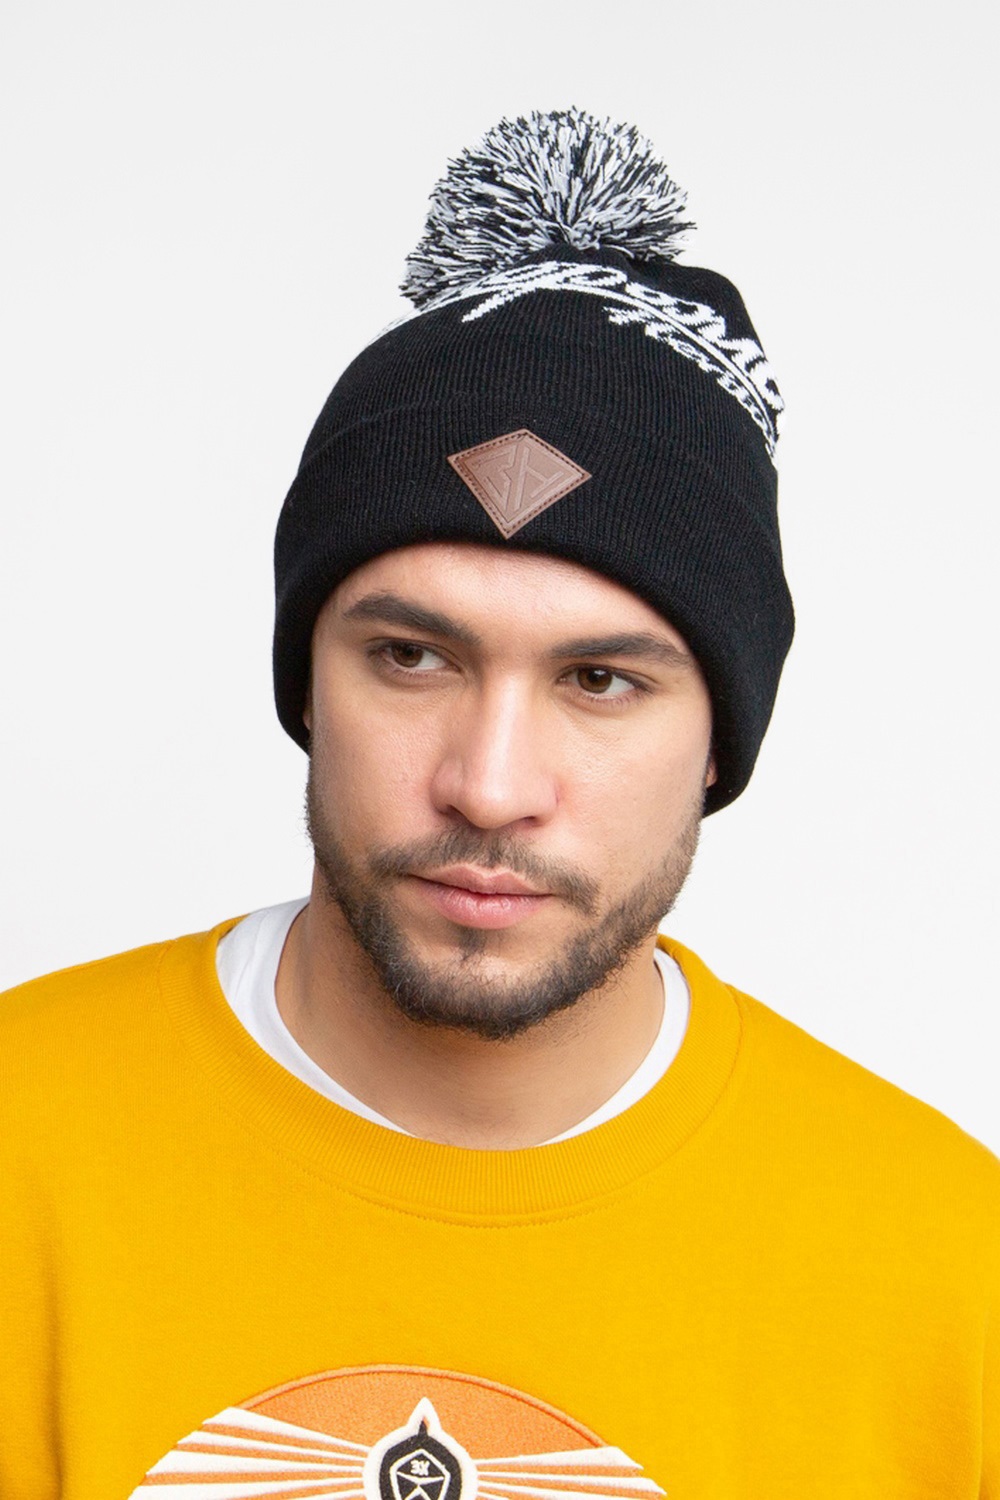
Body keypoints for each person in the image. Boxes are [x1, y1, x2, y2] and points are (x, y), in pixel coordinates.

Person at [1, 109, 997, 1499]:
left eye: (600, 680)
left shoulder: (947, 1278)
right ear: (306, 686)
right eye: (412, 658)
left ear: (721, 742)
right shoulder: (22, 1144)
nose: (488, 783)